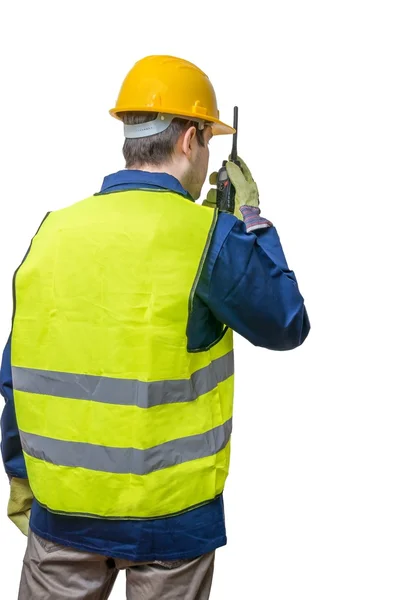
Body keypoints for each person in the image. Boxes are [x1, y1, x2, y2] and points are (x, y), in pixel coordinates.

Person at [1, 55, 310, 600]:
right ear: (190, 139)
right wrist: (251, 219)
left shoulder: (52, 232)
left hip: (63, 513)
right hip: (173, 521)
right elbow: (286, 322)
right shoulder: (209, 237)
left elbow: (18, 370)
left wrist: (20, 477)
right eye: (209, 141)